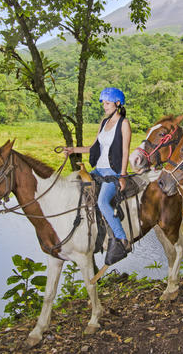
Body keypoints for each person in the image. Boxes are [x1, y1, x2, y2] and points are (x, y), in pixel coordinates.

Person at [63, 87, 132, 264]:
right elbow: (93, 148)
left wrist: (122, 176)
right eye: (103, 103)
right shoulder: (103, 122)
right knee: (77, 188)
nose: (104, 106)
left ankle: (121, 239)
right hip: (98, 170)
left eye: (107, 103)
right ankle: (91, 234)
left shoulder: (124, 124)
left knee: (102, 202)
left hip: (113, 172)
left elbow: (125, 151)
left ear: (117, 104)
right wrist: (73, 150)